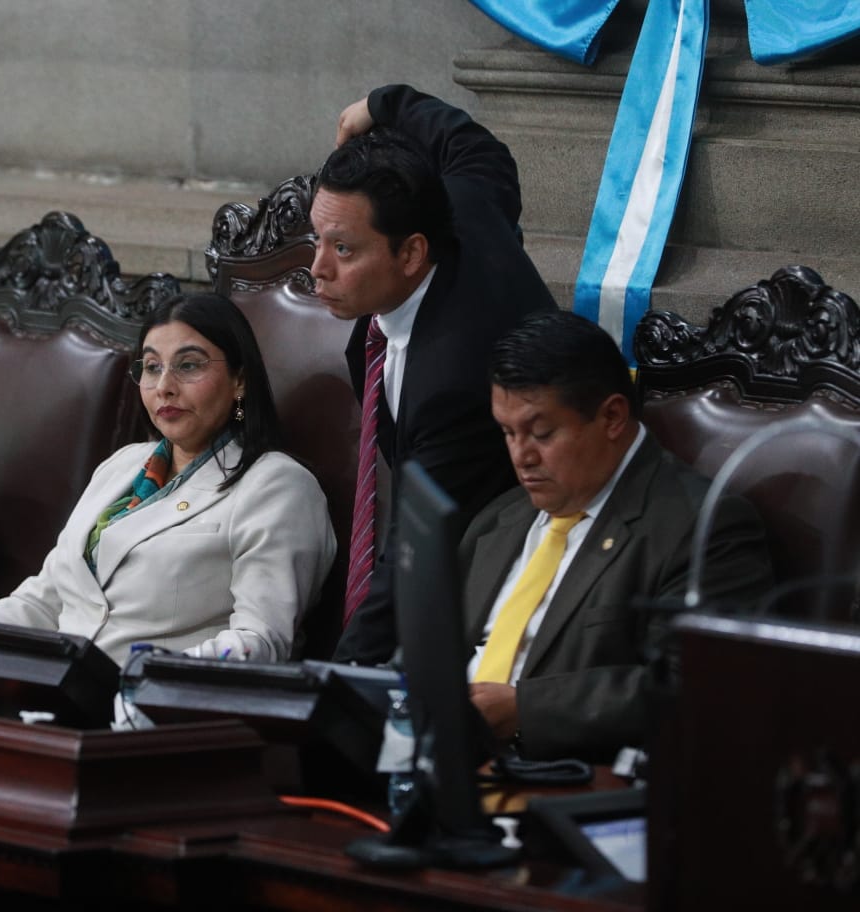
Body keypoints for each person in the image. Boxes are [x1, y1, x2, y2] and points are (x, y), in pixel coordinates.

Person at [0, 292, 337, 666]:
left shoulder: (277, 486)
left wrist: (137, 677)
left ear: (240, 380)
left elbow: (261, 644)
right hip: (52, 703)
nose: (164, 385)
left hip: (158, 722)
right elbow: (43, 602)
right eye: (152, 367)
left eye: (189, 365)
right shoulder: (123, 466)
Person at [462, 310, 774, 761]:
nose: (520, 456)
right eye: (508, 432)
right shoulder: (499, 519)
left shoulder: (704, 527)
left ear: (611, 416)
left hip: (568, 784)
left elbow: (701, 688)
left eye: (542, 432)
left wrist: (525, 710)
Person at [318, 83, 558, 664]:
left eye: (343, 250)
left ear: (410, 253)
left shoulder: (449, 383)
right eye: (315, 240)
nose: (317, 269)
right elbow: (475, 146)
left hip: (503, 579)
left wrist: (332, 687)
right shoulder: (464, 201)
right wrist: (384, 104)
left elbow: (413, 555)